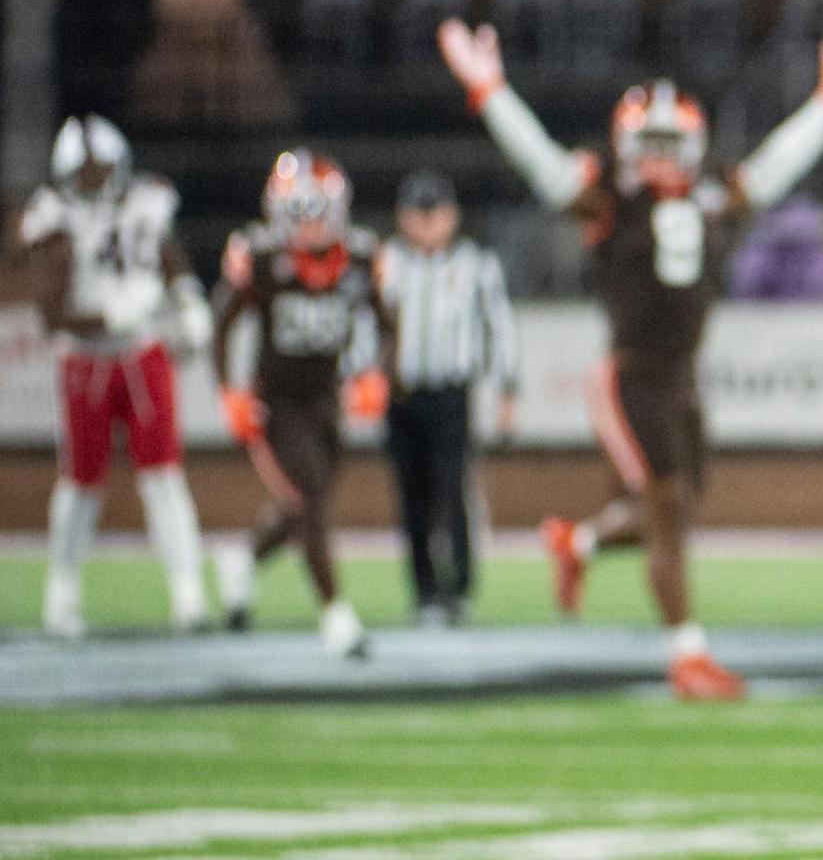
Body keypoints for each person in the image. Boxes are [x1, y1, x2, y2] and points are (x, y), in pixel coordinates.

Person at [438, 17, 823, 700]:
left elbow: (777, 164)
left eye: (668, 143)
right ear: (623, 144)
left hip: (681, 378)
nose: (656, 156)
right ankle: (687, 657)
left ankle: (578, 545)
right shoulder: (608, 201)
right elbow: (540, 163)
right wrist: (489, 89)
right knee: (668, 509)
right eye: (646, 143)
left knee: (679, 506)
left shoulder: (712, 198)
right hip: (628, 376)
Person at [21, 115, 213, 637]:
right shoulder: (52, 215)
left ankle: (188, 592)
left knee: (164, 477)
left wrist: (188, 298)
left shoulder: (146, 199)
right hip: (86, 360)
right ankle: (61, 596)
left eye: (97, 171)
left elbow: (167, 254)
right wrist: (110, 317)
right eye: (81, 174)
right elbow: (49, 311)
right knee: (82, 483)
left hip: (142, 353)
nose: (90, 183)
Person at [211, 150, 394, 658]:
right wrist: (229, 391)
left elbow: (388, 327)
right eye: (300, 212)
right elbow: (222, 321)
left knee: (302, 506)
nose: (311, 224)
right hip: (276, 404)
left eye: (319, 212)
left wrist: (377, 374)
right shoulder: (264, 257)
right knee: (309, 499)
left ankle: (244, 562)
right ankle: (336, 616)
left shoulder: (359, 257)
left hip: (324, 402)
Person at [379, 169, 519, 626]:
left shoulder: (476, 264)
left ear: (452, 216)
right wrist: (357, 377)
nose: (426, 224)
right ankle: (424, 592)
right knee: (411, 496)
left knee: (451, 488)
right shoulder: (386, 262)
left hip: (450, 395)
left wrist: (507, 389)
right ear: (402, 218)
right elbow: (365, 325)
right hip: (400, 394)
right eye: (417, 215)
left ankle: (458, 588)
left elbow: (500, 327)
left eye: (434, 213)